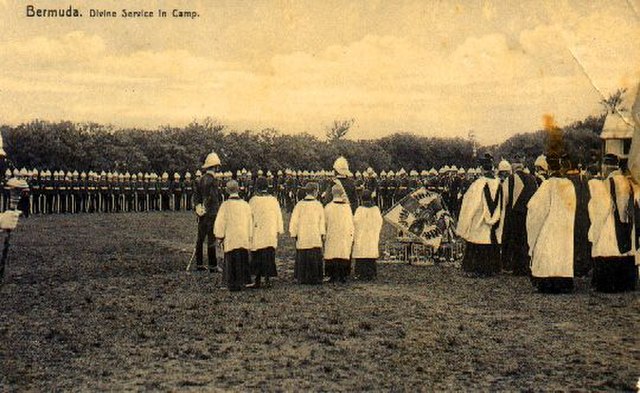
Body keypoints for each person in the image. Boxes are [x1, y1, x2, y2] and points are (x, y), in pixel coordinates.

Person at [588, 154, 638, 292]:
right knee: (625, 252)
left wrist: (594, 231)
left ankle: (606, 285)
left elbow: (601, 209)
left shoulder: (606, 184)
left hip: (609, 226)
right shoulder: (629, 183)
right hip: (627, 228)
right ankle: (626, 284)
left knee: (607, 248)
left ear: (605, 167)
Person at [527, 153, 576, 293]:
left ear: (548, 168)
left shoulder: (548, 184)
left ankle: (548, 282)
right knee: (563, 252)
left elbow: (535, 208)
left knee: (548, 252)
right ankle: (564, 281)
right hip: (565, 225)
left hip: (550, 224)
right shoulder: (569, 184)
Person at [456, 153, 503, 276]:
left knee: (478, 237)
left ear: (482, 168)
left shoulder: (478, 184)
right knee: (490, 239)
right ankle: (491, 268)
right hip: (495, 217)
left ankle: (477, 268)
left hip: (480, 218)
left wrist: (465, 221)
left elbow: (470, 203)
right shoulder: (499, 183)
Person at [500, 157, 538, 275]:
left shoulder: (510, 179)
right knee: (526, 239)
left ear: (513, 168)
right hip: (528, 213)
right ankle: (526, 265)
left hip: (514, 215)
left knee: (513, 239)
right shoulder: (533, 179)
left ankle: (514, 266)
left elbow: (505, 199)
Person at [214, 180, 252, 291]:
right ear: (239, 189)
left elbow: (220, 223)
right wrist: (250, 236)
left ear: (227, 191)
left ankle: (230, 281)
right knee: (242, 257)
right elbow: (250, 221)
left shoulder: (225, 206)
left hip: (231, 237)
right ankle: (243, 281)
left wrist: (219, 236)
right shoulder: (245, 205)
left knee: (230, 258)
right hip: (242, 236)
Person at [248, 176, 284, 288]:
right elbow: (279, 215)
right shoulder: (273, 200)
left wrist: (249, 230)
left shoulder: (253, 201)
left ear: (257, 187)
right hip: (269, 230)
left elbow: (249, 217)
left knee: (258, 254)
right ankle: (267, 279)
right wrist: (279, 229)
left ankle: (258, 279)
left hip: (258, 229)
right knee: (268, 253)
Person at [289, 182, 325, 285]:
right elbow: (321, 221)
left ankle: (302, 277)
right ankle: (315, 277)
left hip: (303, 236)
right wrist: (322, 233)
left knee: (303, 252)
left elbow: (294, 221)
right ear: (314, 192)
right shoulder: (318, 205)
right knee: (314, 252)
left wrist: (294, 233)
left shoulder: (299, 205)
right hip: (314, 236)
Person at [193, 152, 222, 272]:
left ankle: (199, 263)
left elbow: (197, 198)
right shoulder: (213, 181)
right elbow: (214, 199)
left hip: (202, 212)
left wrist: (198, 208)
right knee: (211, 238)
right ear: (215, 167)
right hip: (211, 213)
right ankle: (213, 265)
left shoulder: (200, 180)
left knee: (200, 238)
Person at [324, 185, 354, 283]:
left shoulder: (328, 207)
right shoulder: (347, 207)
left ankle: (332, 275)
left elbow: (325, 222)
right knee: (342, 252)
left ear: (332, 193)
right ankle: (342, 275)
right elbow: (350, 222)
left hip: (332, 233)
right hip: (343, 234)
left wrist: (324, 233)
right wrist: (351, 234)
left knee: (332, 252)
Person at [353, 190, 383, 280]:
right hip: (371, 235)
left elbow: (355, 222)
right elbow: (379, 222)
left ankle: (360, 273)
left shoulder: (359, 210)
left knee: (361, 252)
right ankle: (371, 273)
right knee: (370, 252)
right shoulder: (376, 210)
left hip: (362, 235)